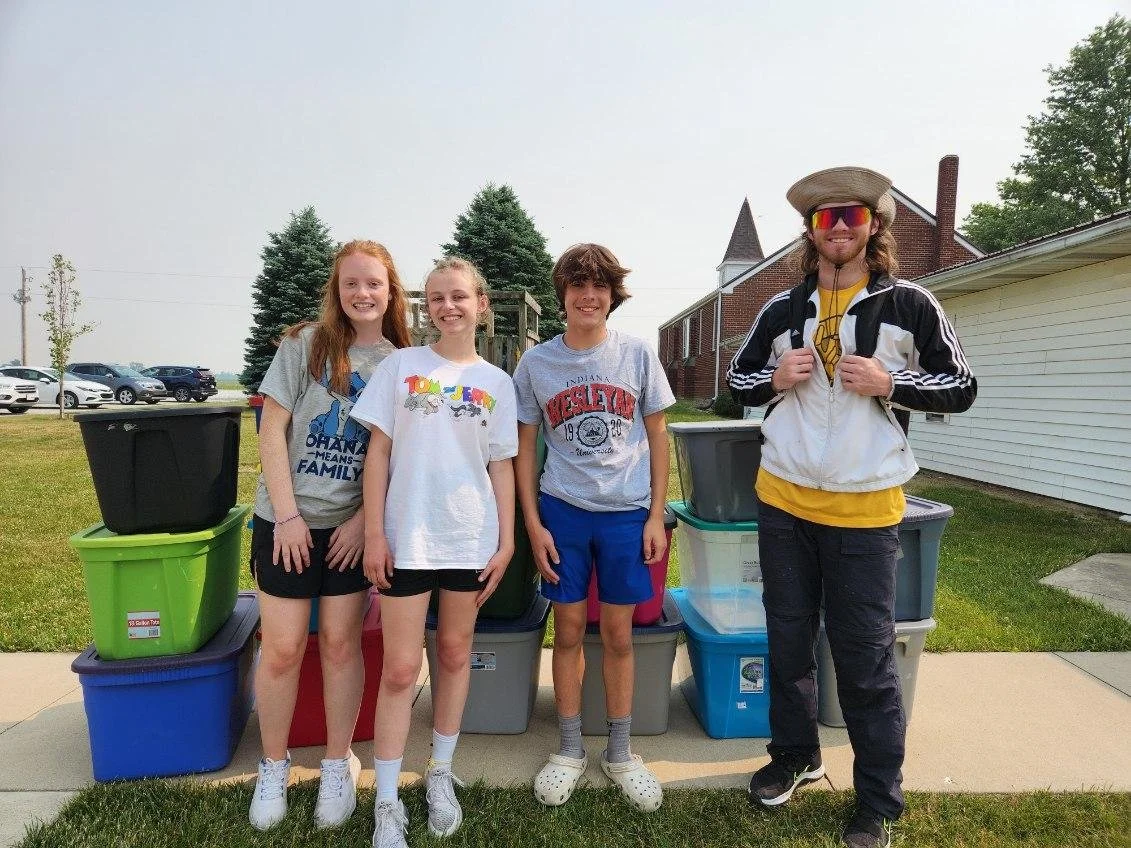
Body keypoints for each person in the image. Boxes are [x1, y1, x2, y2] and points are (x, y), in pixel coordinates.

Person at [727, 166, 977, 848]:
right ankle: (794, 757)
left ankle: (876, 802)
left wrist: (890, 381)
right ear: (810, 233)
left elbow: (960, 386)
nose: (837, 228)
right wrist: (772, 378)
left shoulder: (910, 305)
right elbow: (734, 384)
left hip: (865, 511)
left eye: (851, 217)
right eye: (823, 219)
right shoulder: (780, 310)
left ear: (874, 226)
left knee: (864, 660)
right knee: (786, 643)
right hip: (782, 502)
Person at [350, 257, 518, 848]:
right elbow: (377, 454)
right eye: (437, 298)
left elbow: (501, 464)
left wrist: (508, 540)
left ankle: (440, 773)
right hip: (407, 539)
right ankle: (388, 800)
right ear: (428, 308)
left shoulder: (498, 384)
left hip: (468, 540)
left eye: (460, 297)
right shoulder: (401, 367)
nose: (449, 307)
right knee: (400, 670)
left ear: (481, 305)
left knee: (453, 655)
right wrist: (375, 532)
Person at [248, 240, 412, 831]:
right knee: (285, 648)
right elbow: (272, 428)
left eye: (374, 284)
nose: (362, 294)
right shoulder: (304, 345)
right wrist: (288, 516)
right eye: (351, 284)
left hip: (348, 532)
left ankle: (337, 765)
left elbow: (393, 458)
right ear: (336, 291)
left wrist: (360, 525)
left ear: (390, 291)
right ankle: (272, 766)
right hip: (285, 523)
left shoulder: (399, 363)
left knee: (342, 646)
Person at [513, 243, 676, 814]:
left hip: (628, 512)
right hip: (563, 509)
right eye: (578, 286)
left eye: (599, 286)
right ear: (562, 295)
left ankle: (622, 751)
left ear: (613, 295)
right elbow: (525, 445)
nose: (589, 296)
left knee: (619, 635)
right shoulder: (536, 364)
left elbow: (659, 434)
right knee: (569, 626)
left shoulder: (636, 355)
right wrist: (533, 524)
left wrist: (656, 514)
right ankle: (569, 748)